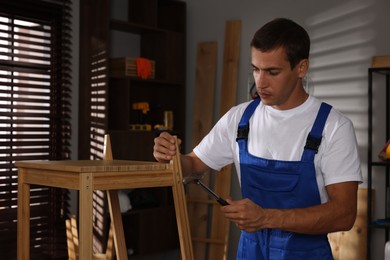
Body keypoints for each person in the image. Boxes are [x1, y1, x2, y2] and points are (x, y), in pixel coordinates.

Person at [153, 18, 362, 260]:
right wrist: (171, 157)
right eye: (256, 69)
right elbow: (192, 167)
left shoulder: (334, 127)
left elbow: (344, 214)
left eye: (272, 72)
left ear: (301, 68)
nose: (260, 82)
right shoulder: (239, 120)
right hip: (250, 253)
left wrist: (266, 217)